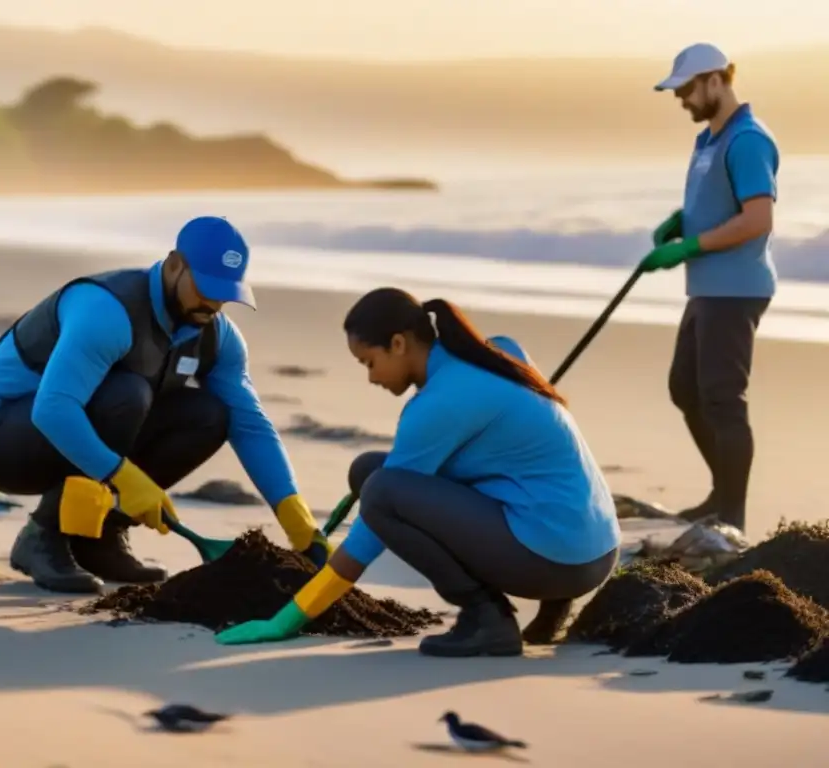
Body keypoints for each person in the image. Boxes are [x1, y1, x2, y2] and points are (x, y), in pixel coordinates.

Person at [214, 288, 621, 657]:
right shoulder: (497, 351)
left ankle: (486, 618)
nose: (371, 377)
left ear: (398, 343)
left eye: (369, 362)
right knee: (370, 471)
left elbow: (373, 525)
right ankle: (553, 613)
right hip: (597, 551)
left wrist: (289, 618)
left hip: (554, 562)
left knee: (383, 490)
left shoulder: (435, 406)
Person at [0, 216, 330, 594]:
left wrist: (294, 514)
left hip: (76, 429)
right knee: (127, 394)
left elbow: (250, 425)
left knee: (211, 415)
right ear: (173, 265)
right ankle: (43, 536)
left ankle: (100, 536)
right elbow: (52, 410)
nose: (214, 303)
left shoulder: (218, 336)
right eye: (206, 287)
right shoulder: (108, 310)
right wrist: (124, 477)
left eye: (226, 292)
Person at [642, 43, 778, 532]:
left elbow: (758, 219)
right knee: (686, 389)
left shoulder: (748, 140)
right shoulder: (709, 141)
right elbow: (721, 202)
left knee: (722, 398)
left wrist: (689, 245)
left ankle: (732, 519)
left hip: (736, 288)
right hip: (708, 288)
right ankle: (720, 495)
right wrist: (683, 223)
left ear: (717, 80)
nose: (682, 99)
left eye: (687, 89)